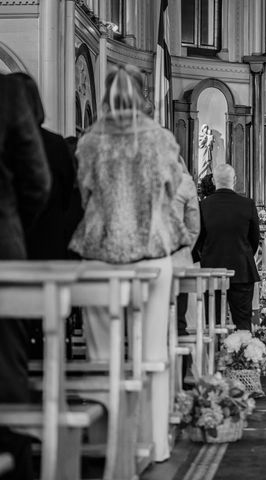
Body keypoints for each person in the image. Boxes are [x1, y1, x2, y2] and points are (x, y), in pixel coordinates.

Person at [69, 64, 189, 462]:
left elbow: (84, 194)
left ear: (105, 95)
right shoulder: (160, 139)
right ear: (143, 96)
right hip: (151, 253)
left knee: (101, 356)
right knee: (152, 354)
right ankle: (152, 443)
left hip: (99, 252)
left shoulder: (89, 140)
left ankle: (105, 445)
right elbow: (172, 190)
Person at [0, 72, 49, 480]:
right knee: (5, 356)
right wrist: (18, 230)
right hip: (2, 251)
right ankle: (15, 458)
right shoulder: (11, 93)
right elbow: (36, 183)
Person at [9, 73, 76, 260]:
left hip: (14, 239)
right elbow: (67, 192)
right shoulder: (56, 143)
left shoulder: (6, 141)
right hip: (49, 236)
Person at [198, 163, 260, 331]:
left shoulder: (203, 206)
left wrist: (208, 255)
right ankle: (244, 354)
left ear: (213, 180)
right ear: (235, 180)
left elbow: (198, 239)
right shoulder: (247, 204)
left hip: (212, 269)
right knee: (242, 321)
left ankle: (215, 354)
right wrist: (243, 254)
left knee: (213, 321)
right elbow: (254, 239)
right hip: (242, 269)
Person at [172, 157, 200, 337]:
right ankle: (181, 364)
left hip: (143, 260)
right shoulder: (184, 182)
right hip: (178, 259)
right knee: (178, 321)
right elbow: (193, 228)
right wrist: (182, 250)